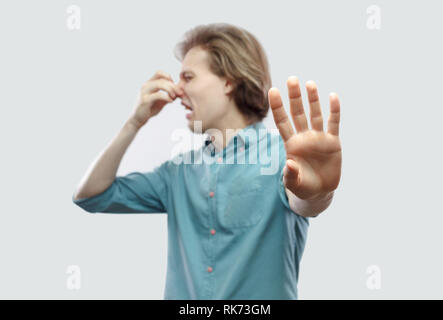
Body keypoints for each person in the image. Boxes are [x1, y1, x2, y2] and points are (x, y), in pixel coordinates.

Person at [72, 23, 342, 299]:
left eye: (188, 77)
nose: (176, 90)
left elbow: (305, 201)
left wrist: (318, 192)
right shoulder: (177, 173)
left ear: (229, 81)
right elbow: (90, 196)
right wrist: (135, 121)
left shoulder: (281, 157)